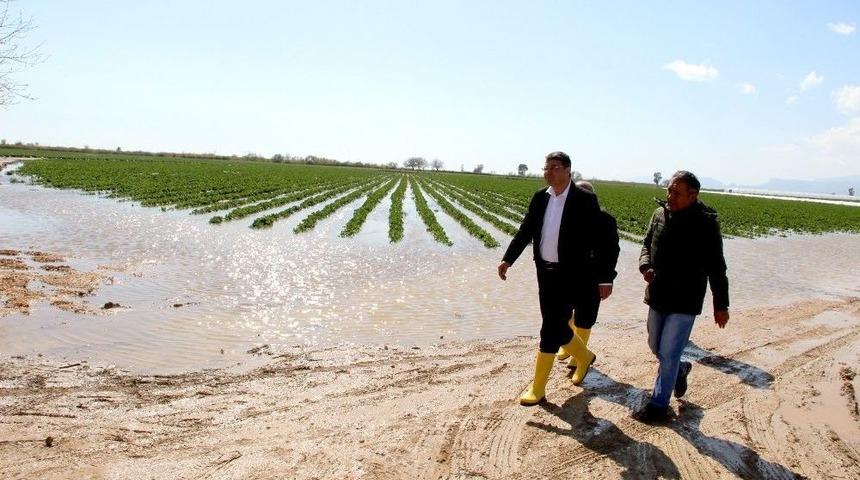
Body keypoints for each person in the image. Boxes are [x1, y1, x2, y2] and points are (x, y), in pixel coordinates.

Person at [497, 152, 619, 406]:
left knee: (550, 327)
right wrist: (508, 258)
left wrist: (605, 278)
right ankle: (584, 356)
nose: (548, 172)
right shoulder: (540, 198)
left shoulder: (585, 200)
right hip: (545, 272)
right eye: (546, 167)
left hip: (573, 274)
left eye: (554, 167)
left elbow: (604, 242)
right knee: (554, 325)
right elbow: (526, 230)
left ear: (567, 170)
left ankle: (538, 388)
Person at [634, 170, 730, 422]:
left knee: (669, 352)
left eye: (676, 192)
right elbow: (646, 244)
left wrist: (721, 304)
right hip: (657, 293)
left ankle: (658, 403)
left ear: (693, 195)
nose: (670, 196)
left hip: (686, 298)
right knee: (655, 345)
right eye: (669, 190)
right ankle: (679, 371)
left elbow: (717, 267)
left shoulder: (706, 223)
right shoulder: (659, 215)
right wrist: (646, 266)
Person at [555, 181, 620, 371]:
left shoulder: (605, 220)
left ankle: (578, 356)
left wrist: (607, 279)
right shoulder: (564, 217)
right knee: (563, 314)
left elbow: (612, 251)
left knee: (585, 317)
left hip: (592, 278)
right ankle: (569, 346)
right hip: (566, 275)